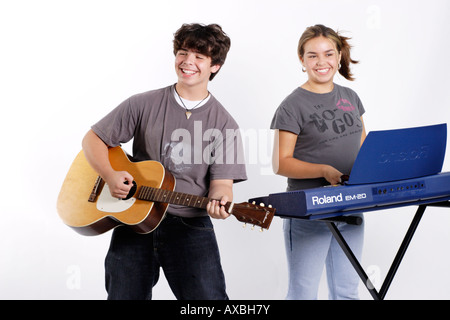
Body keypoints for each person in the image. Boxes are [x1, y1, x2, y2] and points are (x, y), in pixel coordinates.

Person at [81, 23, 247, 300]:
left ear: (214, 66)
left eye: (199, 57)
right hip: (134, 218)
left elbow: (222, 185)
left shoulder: (226, 125)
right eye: (183, 53)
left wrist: (222, 202)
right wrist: (110, 175)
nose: (188, 62)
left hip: (190, 226)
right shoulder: (142, 103)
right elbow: (93, 139)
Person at [271, 24, 367, 300]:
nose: (321, 62)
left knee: (347, 290)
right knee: (303, 292)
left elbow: (363, 148)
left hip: (351, 203)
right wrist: (324, 171)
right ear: (302, 60)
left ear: (339, 56)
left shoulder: (351, 97)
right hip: (309, 209)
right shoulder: (292, 105)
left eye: (328, 54)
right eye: (312, 55)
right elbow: (281, 163)